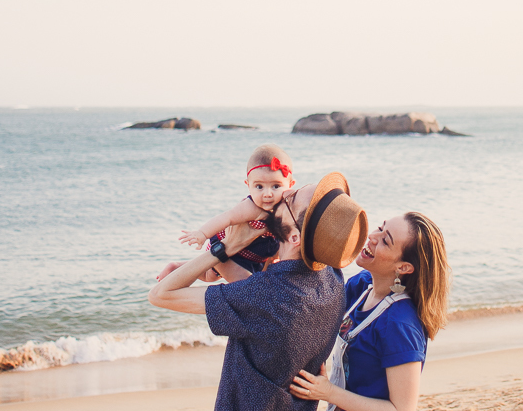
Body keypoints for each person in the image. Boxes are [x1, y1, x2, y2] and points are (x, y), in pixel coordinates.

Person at [149, 173, 368, 411]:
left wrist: (224, 248)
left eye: (291, 198)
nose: (282, 193)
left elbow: (161, 294)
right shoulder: (332, 280)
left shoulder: (266, 295)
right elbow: (258, 297)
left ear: (295, 237)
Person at [290, 212, 450, 411]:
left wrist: (329, 392)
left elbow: (402, 408)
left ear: (403, 267)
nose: (372, 237)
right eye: (381, 228)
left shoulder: (399, 325)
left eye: (385, 241)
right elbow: (317, 311)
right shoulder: (362, 284)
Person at [165, 144, 296, 281]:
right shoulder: (251, 207)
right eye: (259, 187)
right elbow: (226, 218)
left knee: (210, 277)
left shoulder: (288, 207)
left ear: (290, 185)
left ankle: (177, 267)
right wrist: (202, 234)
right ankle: (176, 271)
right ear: (248, 185)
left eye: (276, 186)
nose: (267, 194)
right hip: (229, 252)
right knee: (248, 290)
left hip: (256, 257)